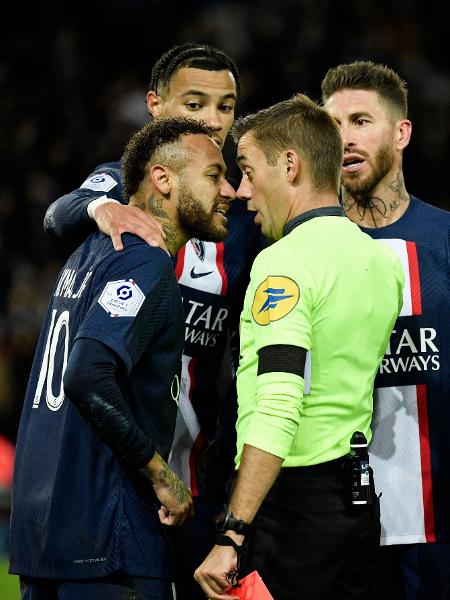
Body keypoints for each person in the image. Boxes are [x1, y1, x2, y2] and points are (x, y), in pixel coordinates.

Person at [42, 42, 263, 599]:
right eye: (195, 103)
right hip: (127, 474)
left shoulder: (238, 217)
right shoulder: (124, 186)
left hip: (199, 481)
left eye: (227, 106)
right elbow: (57, 214)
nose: (213, 121)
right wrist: (100, 207)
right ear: (155, 107)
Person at [9, 116, 236, 600]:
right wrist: (162, 474)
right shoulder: (145, 262)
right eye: (215, 175)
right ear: (163, 179)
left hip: (46, 539)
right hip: (109, 539)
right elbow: (88, 374)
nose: (231, 190)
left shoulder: (87, 254)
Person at [194, 93, 405, 600]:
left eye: (247, 170)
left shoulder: (283, 263)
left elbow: (279, 402)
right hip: (355, 506)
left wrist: (233, 530)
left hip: (289, 512)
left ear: (290, 165)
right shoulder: (380, 263)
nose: (243, 192)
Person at [321, 61, 450, 600]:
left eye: (360, 120)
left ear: (401, 133)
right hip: (333, 533)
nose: (345, 138)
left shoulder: (444, 240)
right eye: (332, 126)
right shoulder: (302, 249)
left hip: (440, 529)